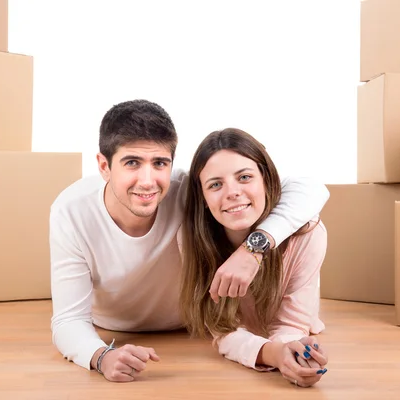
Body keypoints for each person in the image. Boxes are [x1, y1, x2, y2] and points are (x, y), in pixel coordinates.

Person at [49, 99, 330, 383]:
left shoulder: (187, 191)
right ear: (104, 166)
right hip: (117, 328)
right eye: (132, 163)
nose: (147, 181)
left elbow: (308, 190)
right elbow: (68, 320)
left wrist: (252, 249)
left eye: (159, 163)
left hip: (194, 328)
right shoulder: (72, 211)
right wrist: (101, 356)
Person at [179, 127, 329, 388]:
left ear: (266, 180)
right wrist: (274, 354)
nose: (232, 192)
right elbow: (222, 329)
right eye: (215, 184)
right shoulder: (194, 239)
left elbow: (291, 323)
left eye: (245, 177)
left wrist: (292, 351)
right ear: (202, 198)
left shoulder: (308, 233)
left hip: (300, 324)